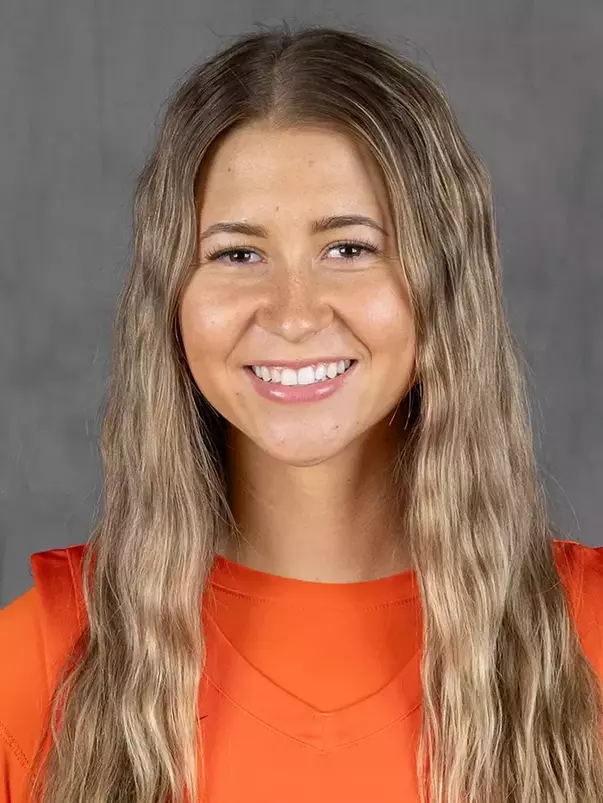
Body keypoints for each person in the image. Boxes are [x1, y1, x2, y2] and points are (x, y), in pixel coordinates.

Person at [1, 21, 603, 803]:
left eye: (349, 248)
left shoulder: (586, 639)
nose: (291, 313)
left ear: (443, 285)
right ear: (170, 296)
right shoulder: (43, 661)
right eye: (236, 254)